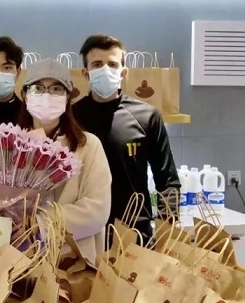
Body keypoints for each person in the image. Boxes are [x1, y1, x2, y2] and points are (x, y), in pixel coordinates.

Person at [73, 34, 181, 240]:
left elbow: (167, 182)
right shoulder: (70, 118)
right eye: (97, 64)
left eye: (112, 64)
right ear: (86, 74)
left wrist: (168, 231)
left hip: (135, 234)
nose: (105, 70)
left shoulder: (147, 116)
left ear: (123, 72)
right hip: (83, 235)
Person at [18, 58, 112, 262]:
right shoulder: (10, 147)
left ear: (67, 96)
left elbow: (97, 210)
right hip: (23, 261)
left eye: (56, 89)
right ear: (24, 95)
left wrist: (40, 223)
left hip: (75, 262)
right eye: (38, 88)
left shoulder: (88, 146)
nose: (47, 95)